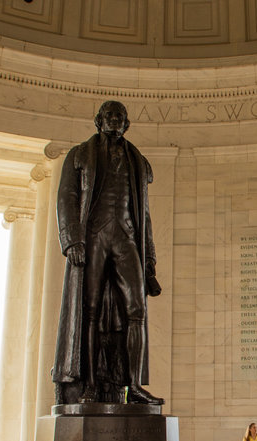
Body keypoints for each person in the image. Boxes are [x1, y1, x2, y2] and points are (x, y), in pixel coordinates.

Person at [52, 101, 164, 406]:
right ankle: (89, 384)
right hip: (94, 236)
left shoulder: (137, 160)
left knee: (136, 310)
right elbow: (66, 198)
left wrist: (150, 262)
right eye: (109, 116)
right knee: (89, 311)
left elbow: (145, 215)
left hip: (126, 236)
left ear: (126, 124)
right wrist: (72, 240)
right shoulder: (79, 155)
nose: (115, 120)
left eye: (120, 117)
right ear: (99, 121)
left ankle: (133, 386)